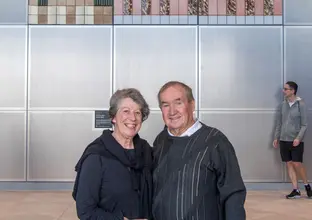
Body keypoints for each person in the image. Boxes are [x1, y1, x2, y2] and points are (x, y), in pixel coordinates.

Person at [152, 81, 246, 220]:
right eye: (166, 105)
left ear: (192, 104)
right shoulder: (160, 141)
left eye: (178, 103)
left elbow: (233, 194)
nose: (172, 111)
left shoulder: (215, 142)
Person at [73, 88, 153, 220]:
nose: (132, 118)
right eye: (126, 111)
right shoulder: (96, 156)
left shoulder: (147, 151)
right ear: (113, 117)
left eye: (137, 112)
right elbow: (85, 211)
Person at [273, 81, 311, 199]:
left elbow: (304, 124)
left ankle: (307, 185)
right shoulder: (283, 104)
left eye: (286, 89)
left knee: (297, 163)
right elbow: (280, 123)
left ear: (292, 91)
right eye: (284, 89)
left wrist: (298, 138)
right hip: (284, 139)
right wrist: (276, 137)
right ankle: (296, 190)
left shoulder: (301, 104)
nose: (283, 91)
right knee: (289, 163)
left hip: (295, 140)